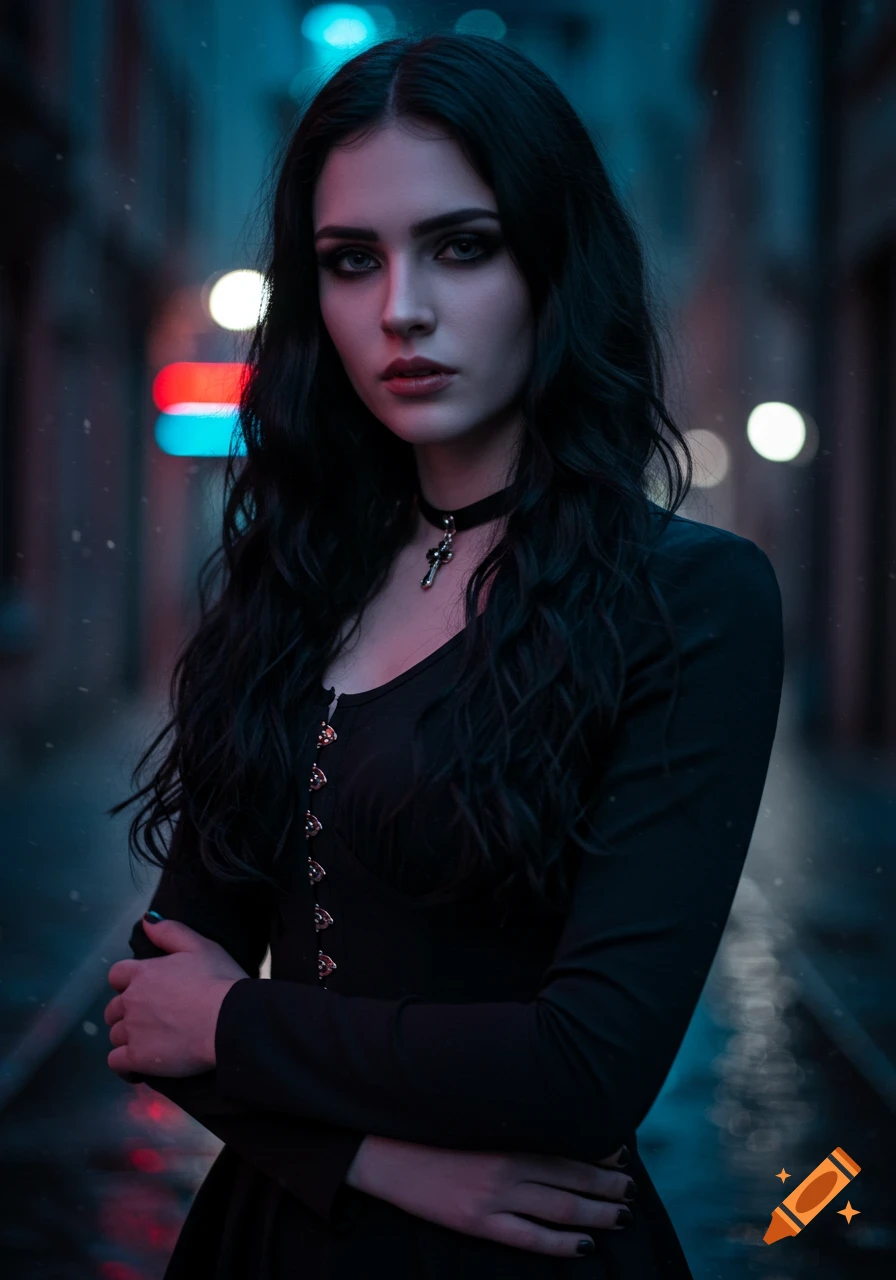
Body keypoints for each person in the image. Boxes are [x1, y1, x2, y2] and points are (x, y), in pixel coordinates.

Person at [103, 30, 784, 1280]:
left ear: (550, 263)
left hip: (531, 1252)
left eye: (459, 247)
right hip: (268, 1239)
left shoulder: (691, 598)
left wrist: (237, 1020)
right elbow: (154, 1008)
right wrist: (374, 1157)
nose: (399, 307)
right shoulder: (292, 581)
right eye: (350, 261)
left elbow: (583, 1065)